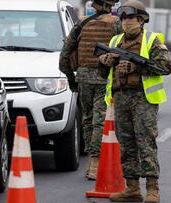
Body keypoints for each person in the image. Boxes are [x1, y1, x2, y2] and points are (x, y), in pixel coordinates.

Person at [97, 0, 171, 202]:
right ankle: (132, 188)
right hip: (120, 98)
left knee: (146, 143)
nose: (127, 22)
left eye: (131, 18)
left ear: (141, 20)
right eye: (124, 18)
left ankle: (152, 189)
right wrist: (104, 63)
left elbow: (165, 67)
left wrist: (136, 68)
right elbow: (103, 74)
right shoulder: (114, 42)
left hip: (143, 98)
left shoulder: (152, 40)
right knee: (127, 144)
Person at [59, 0, 122, 180]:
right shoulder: (116, 24)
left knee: (87, 119)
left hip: (84, 78)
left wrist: (71, 79)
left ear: (94, 5)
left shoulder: (81, 23)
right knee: (100, 120)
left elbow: (64, 55)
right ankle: (95, 163)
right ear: (110, 5)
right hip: (106, 78)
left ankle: (91, 163)